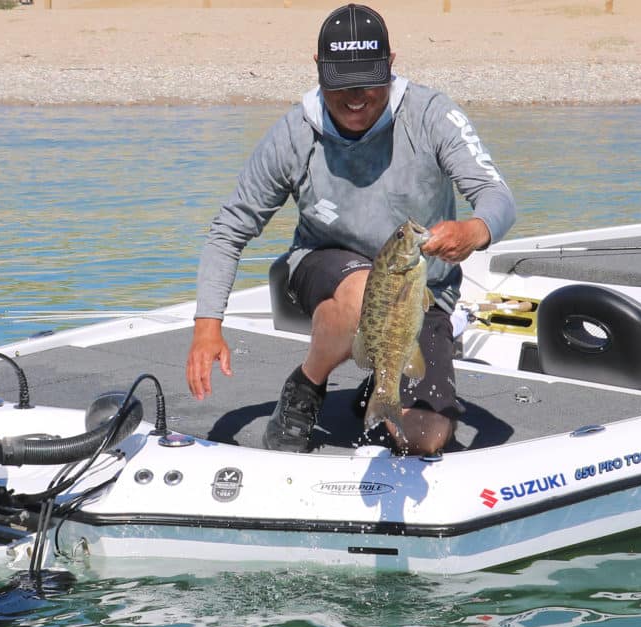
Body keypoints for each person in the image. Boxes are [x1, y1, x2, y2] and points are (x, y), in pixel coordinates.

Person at [185, 3, 516, 456]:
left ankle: (379, 384)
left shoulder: (431, 115)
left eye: (369, 82)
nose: (356, 97)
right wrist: (207, 327)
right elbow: (229, 229)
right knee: (362, 291)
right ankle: (306, 387)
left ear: (391, 65)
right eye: (341, 84)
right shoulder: (295, 133)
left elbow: (498, 197)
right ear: (319, 69)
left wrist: (474, 230)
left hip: (421, 294)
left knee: (425, 439)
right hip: (322, 270)